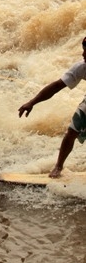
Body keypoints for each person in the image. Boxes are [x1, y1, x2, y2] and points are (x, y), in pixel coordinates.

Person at [18, 37, 86, 179]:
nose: (83, 55)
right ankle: (58, 166)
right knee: (72, 130)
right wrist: (32, 102)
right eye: (84, 51)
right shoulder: (81, 67)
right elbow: (56, 87)